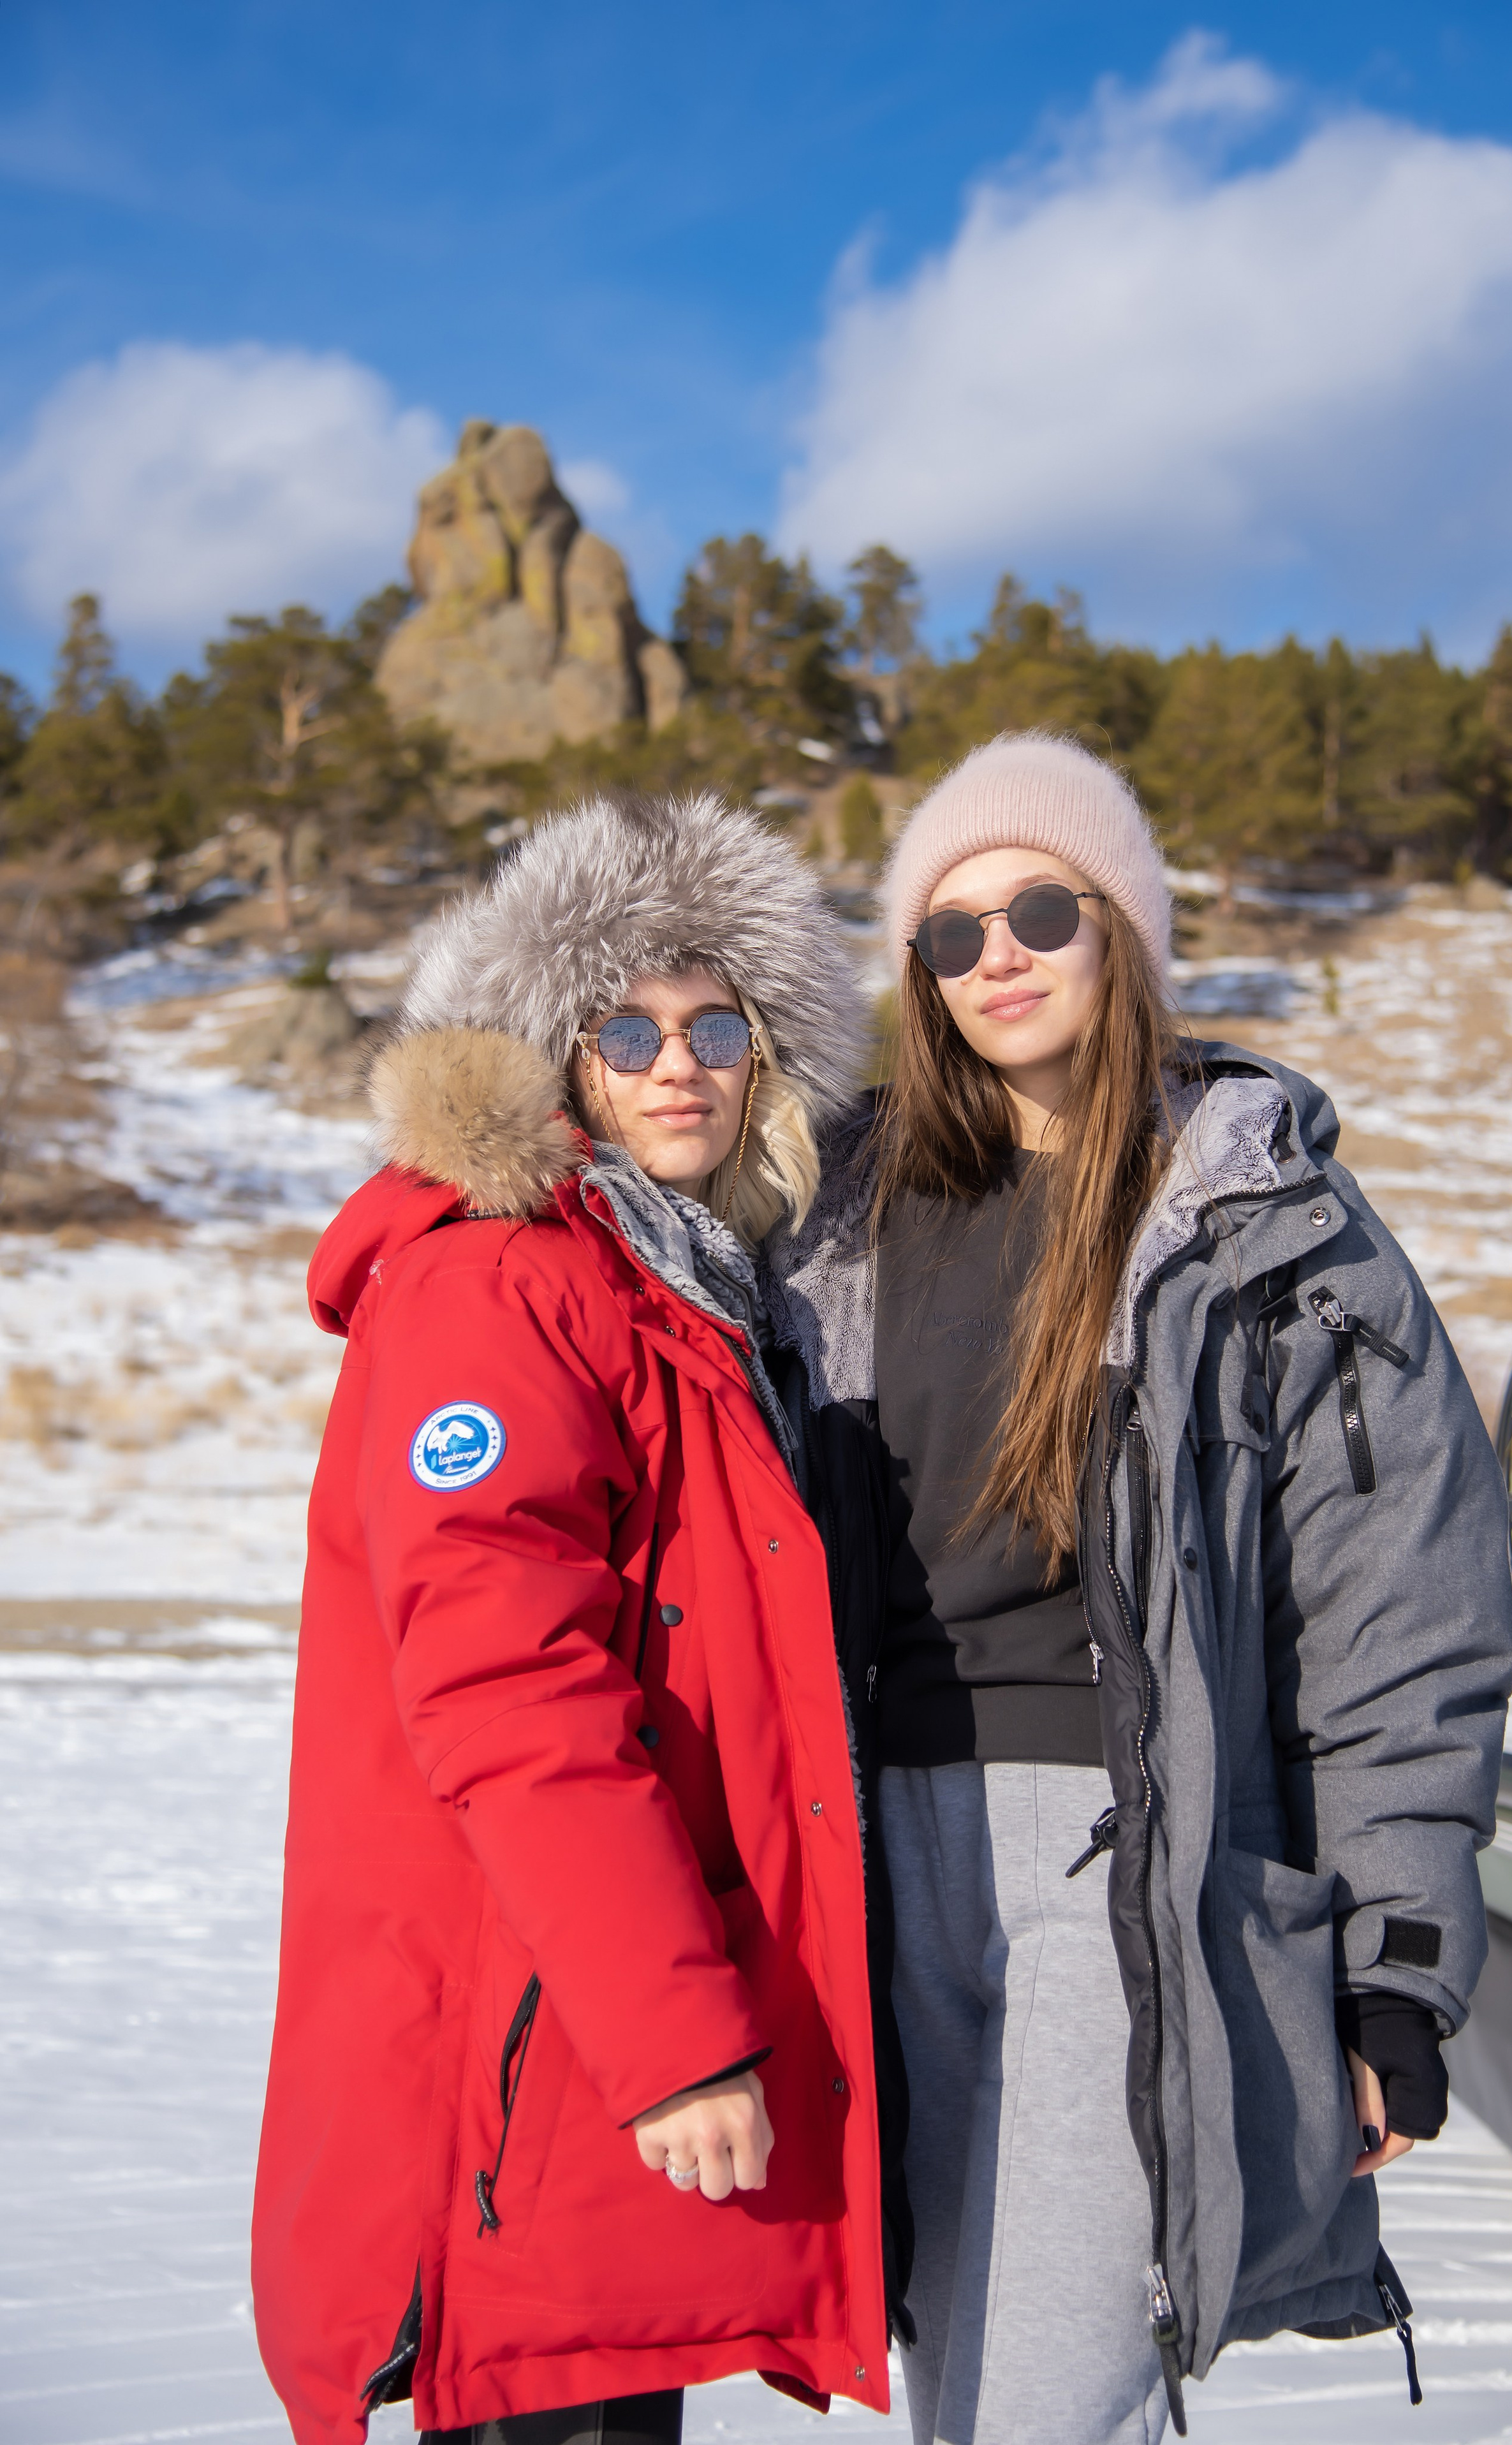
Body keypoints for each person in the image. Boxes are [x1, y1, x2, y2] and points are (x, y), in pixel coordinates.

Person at [762, 730, 1512, 2444]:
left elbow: (1403, 1606)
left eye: (1040, 907)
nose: (998, 957)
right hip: (876, 1870)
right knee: (952, 2391)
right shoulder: (835, 1214)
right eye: (951, 935)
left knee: (1053, 2404)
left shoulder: (1257, 1219)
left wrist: (1394, 1961)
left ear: (1125, 929)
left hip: (1130, 1871)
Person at [253, 793, 900, 2445]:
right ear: (562, 1059)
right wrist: (677, 2037)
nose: (675, 1060)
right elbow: (505, 1690)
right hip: (545, 2065)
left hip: (575, 2065)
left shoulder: (667, 1289)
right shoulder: (504, 1283)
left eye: (715, 1024)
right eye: (625, 1026)